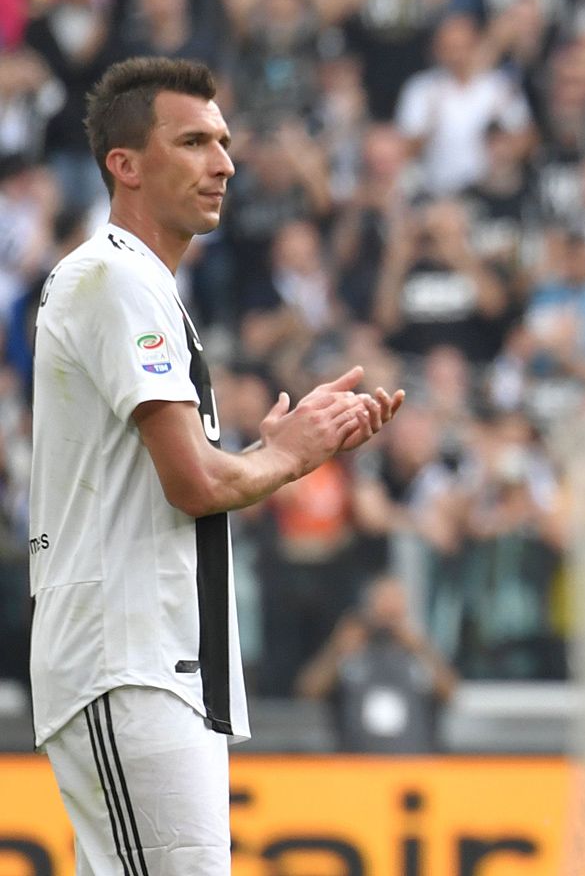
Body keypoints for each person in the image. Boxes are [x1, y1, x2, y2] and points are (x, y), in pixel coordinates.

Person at [28, 56, 403, 874]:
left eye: (225, 142)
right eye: (194, 141)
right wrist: (288, 452)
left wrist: (282, 456)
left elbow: (193, 479)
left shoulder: (145, 287)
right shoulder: (114, 276)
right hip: (125, 658)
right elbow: (195, 482)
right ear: (124, 165)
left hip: (155, 662)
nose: (225, 163)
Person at [294, 573, 458, 753]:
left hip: (411, 766)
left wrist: (423, 649)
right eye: (383, 603)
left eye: (394, 606)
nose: (388, 613)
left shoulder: (417, 653)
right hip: (357, 767)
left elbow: (451, 693)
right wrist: (336, 650)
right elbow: (308, 691)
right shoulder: (351, 651)